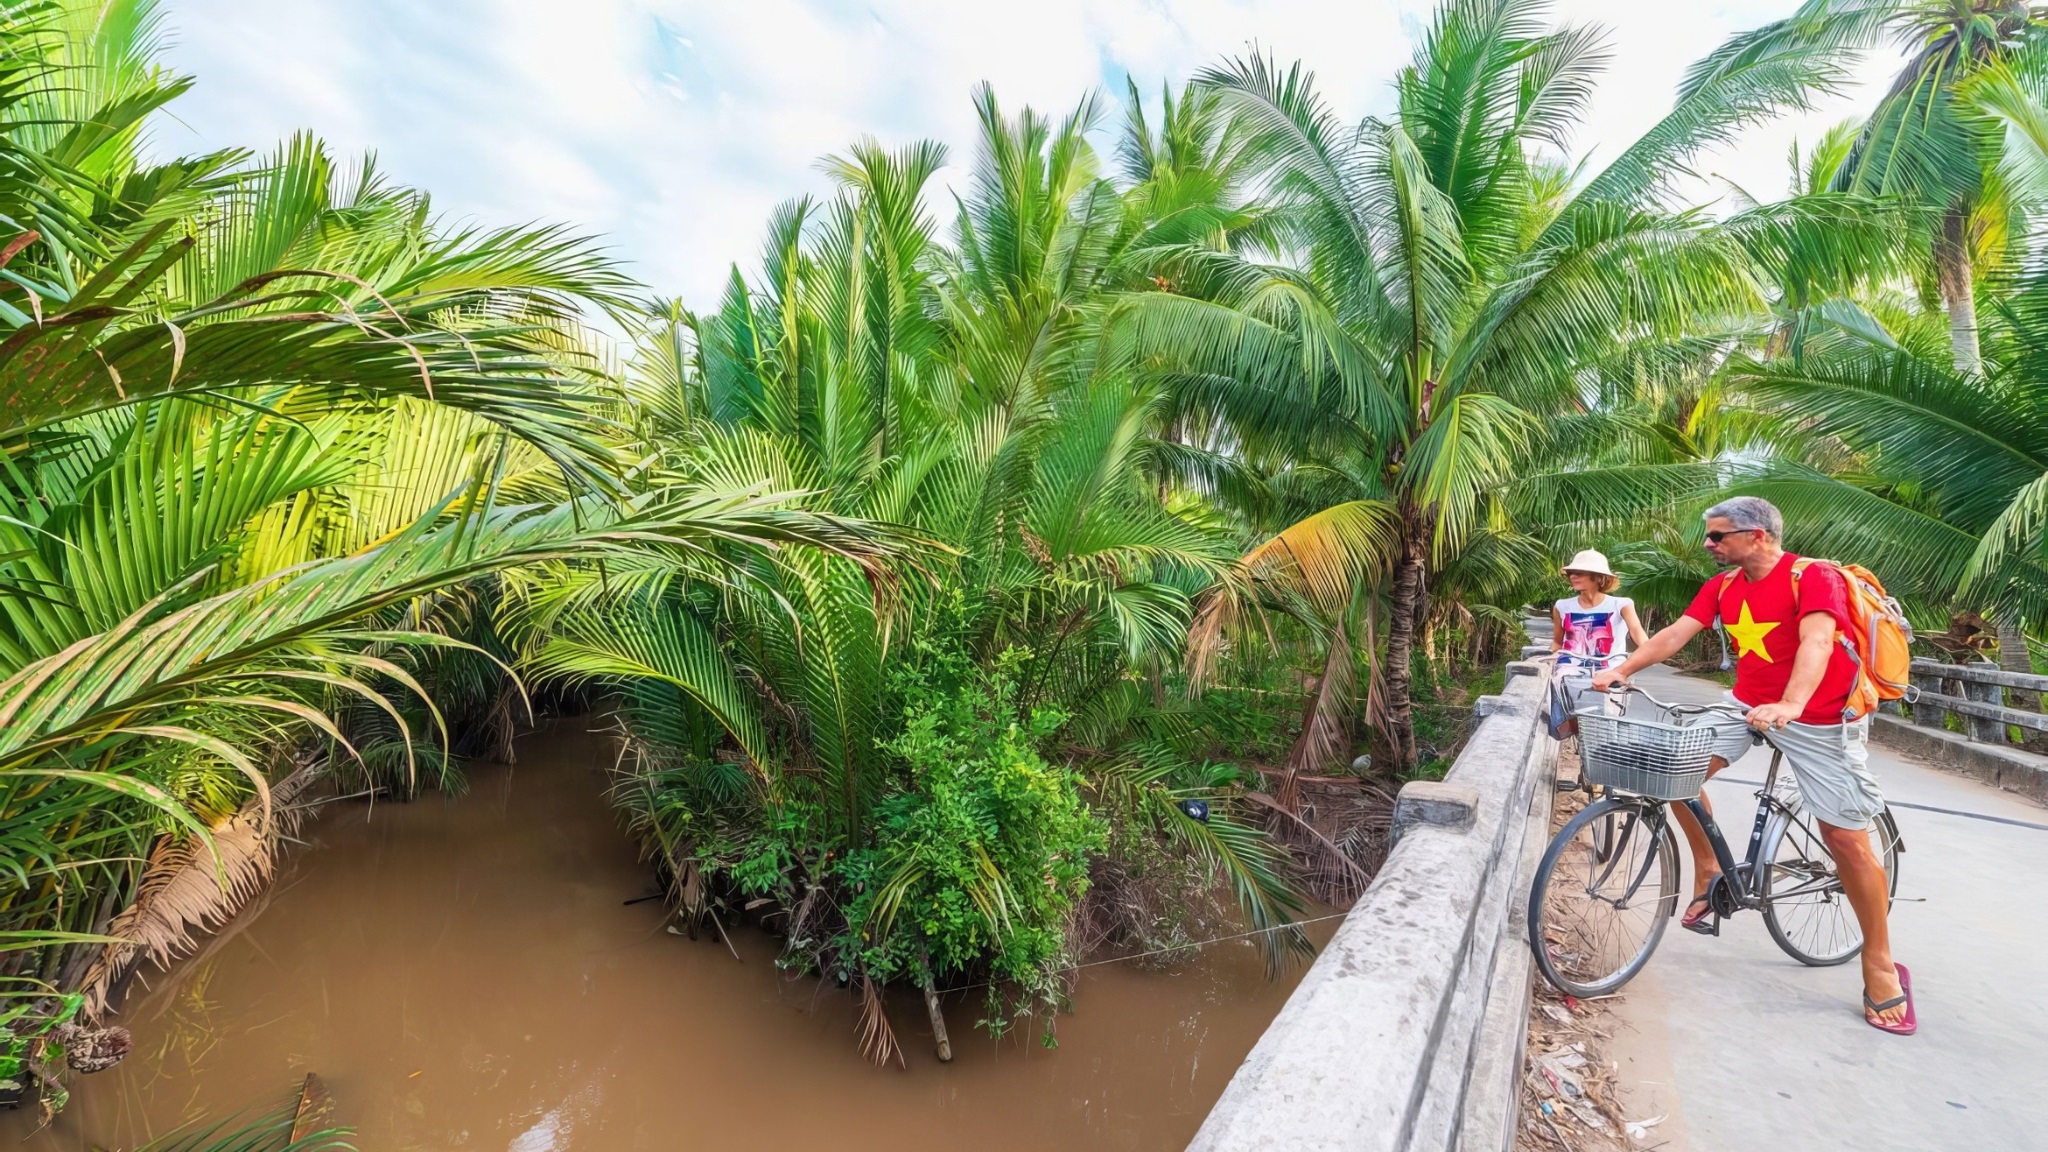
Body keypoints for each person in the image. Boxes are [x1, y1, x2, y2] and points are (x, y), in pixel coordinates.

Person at [1590, 496, 1913, 1035]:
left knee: (1846, 839)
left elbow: (1815, 642)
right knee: (1671, 767)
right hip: (1746, 706)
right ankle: (1709, 868)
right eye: (1709, 535)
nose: (1708, 544)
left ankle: (1879, 960)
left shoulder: (1812, 577)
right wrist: (1622, 670)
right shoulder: (1722, 587)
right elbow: (1676, 633)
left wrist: (1791, 704)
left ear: (1758, 535)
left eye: (1718, 537)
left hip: (1822, 718)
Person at [1548, 550, 1648, 734]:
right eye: (1571, 573)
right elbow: (1557, 642)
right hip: (1571, 670)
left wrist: (1647, 652)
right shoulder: (1562, 606)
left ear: (1598, 578)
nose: (1574, 576)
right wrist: (1546, 658)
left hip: (1610, 669)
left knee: (1606, 724)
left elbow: (1638, 633)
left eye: (1580, 572)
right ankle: (1568, 730)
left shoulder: (1621, 604)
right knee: (1559, 684)